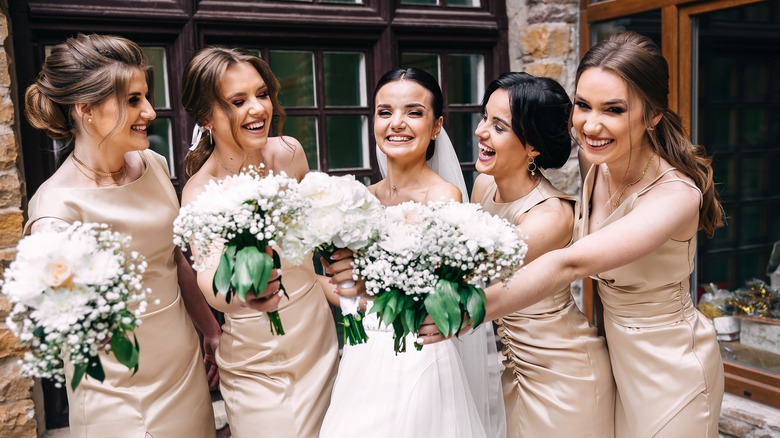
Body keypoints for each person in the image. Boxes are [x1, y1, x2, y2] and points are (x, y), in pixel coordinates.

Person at [422, 31, 726, 437]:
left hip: (670, 366)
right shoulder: (595, 159)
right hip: (608, 359)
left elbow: (571, 262)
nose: (591, 125)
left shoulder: (676, 195)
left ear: (652, 115)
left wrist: (470, 311)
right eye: (583, 105)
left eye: (614, 109)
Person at [23, 33, 219, 437]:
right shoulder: (55, 211)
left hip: (182, 367)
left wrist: (211, 331)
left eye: (145, 97)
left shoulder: (154, 163)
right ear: (85, 109)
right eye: (132, 100)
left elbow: (175, 258)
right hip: (116, 387)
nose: (149, 111)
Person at [319, 67, 505, 438]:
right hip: (363, 356)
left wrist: (360, 283)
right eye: (385, 112)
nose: (396, 123)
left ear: (436, 126)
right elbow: (349, 294)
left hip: (418, 352)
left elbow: (441, 299)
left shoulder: (444, 199)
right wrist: (333, 280)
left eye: (414, 112)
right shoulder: (360, 201)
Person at [179, 46, 340, 438]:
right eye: (238, 101)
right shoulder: (201, 191)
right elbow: (211, 282)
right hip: (258, 358)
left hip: (318, 335)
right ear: (206, 117)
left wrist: (354, 294)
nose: (258, 108)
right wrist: (248, 295)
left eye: (262, 94)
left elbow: (315, 249)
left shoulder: (290, 153)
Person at [472, 71, 615, 437]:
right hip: (514, 366)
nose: (481, 131)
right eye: (484, 117)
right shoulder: (483, 185)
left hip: (565, 372)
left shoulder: (551, 216)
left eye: (498, 126)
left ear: (532, 145)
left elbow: (470, 270)